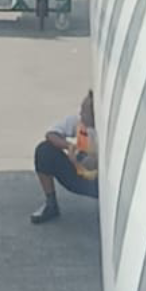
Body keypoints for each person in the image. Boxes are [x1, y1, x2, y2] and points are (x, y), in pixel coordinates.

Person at [30, 89, 98, 224]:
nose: (80, 114)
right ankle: (51, 204)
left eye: (84, 112)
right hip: (82, 178)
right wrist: (70, 147)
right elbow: (51, 134)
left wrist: (88, 162)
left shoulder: (104, 132)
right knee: (44, 151)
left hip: (101, 182)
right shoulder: (78, 122)